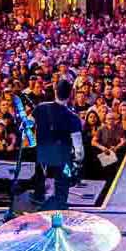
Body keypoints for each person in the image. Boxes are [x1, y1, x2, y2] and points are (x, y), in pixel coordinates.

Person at [32, 78, 83, 210]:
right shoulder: (73, 117)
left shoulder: (40, 108)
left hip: (42, 154)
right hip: (63, 157)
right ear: (71, 93)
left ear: (55, 91)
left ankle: (38, 201)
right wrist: (78, 161)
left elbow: (26, 125)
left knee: (40, 180)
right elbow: (78, 149)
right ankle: (60, 206)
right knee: (62, 186)